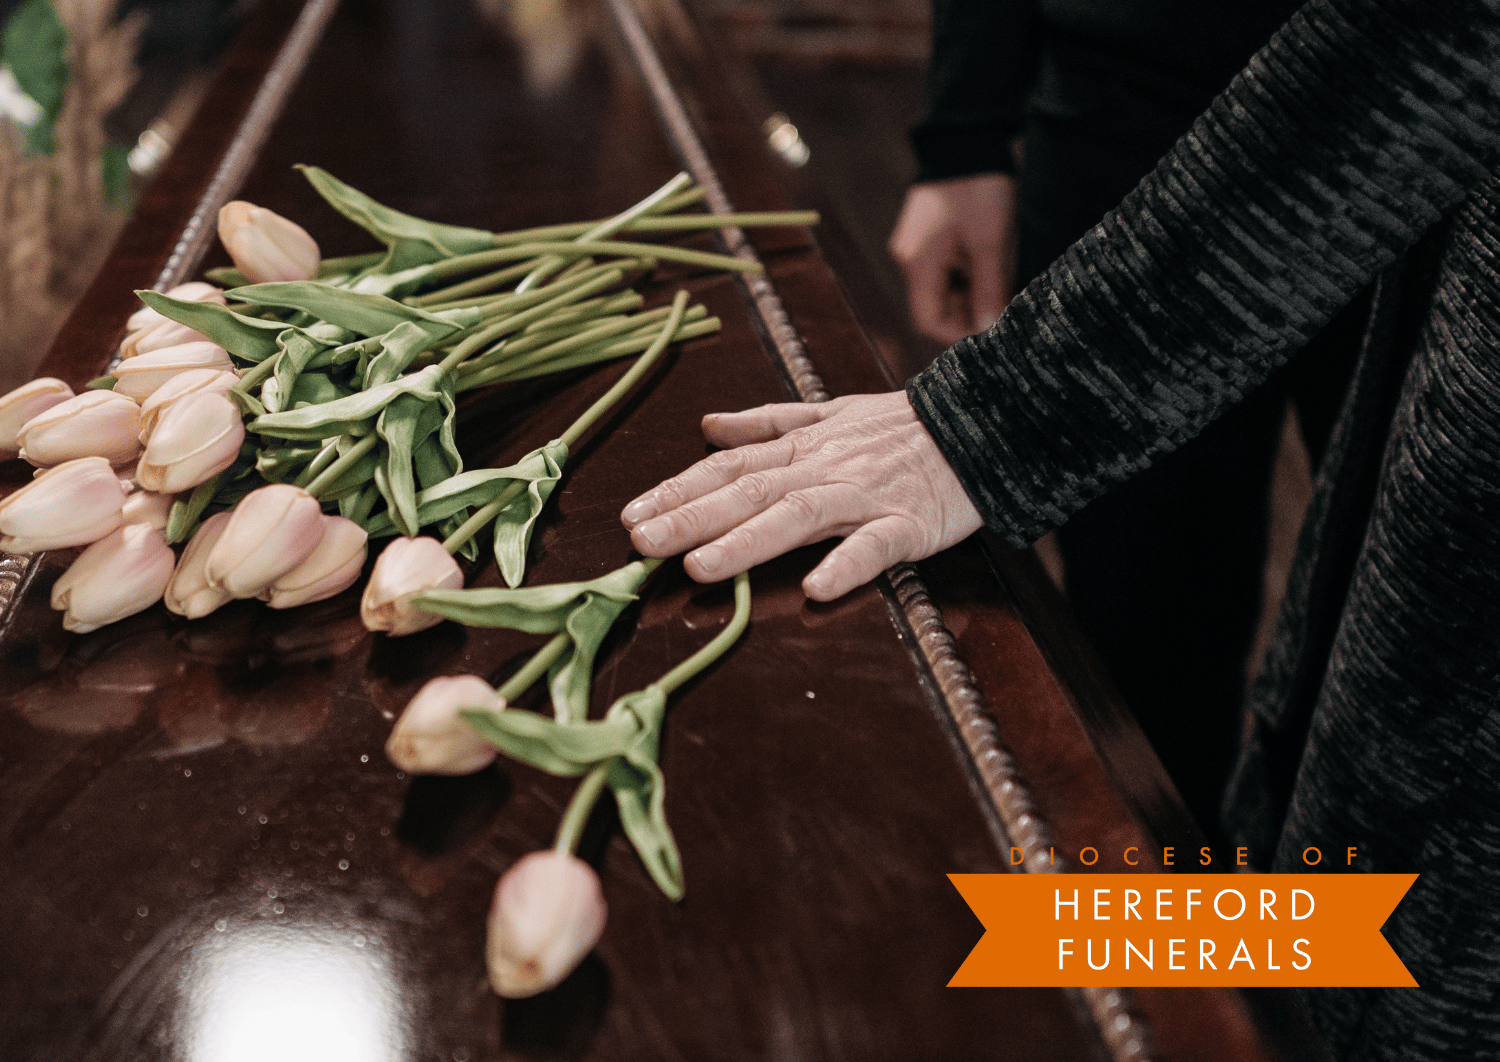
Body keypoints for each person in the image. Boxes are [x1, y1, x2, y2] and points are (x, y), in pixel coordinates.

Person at [620, 0, 1500, 1057]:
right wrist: (967, 125)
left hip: (1407, 154)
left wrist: (996, 418)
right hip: (1164, 108)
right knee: (1173, 691)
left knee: (1400, 919)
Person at [886, 0, 1363, 841]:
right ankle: (1176, 954)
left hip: (1442, 150)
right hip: (1131, 111)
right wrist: (965, 128)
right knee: (1145, 648)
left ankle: (1330, 959)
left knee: (1408, 677)